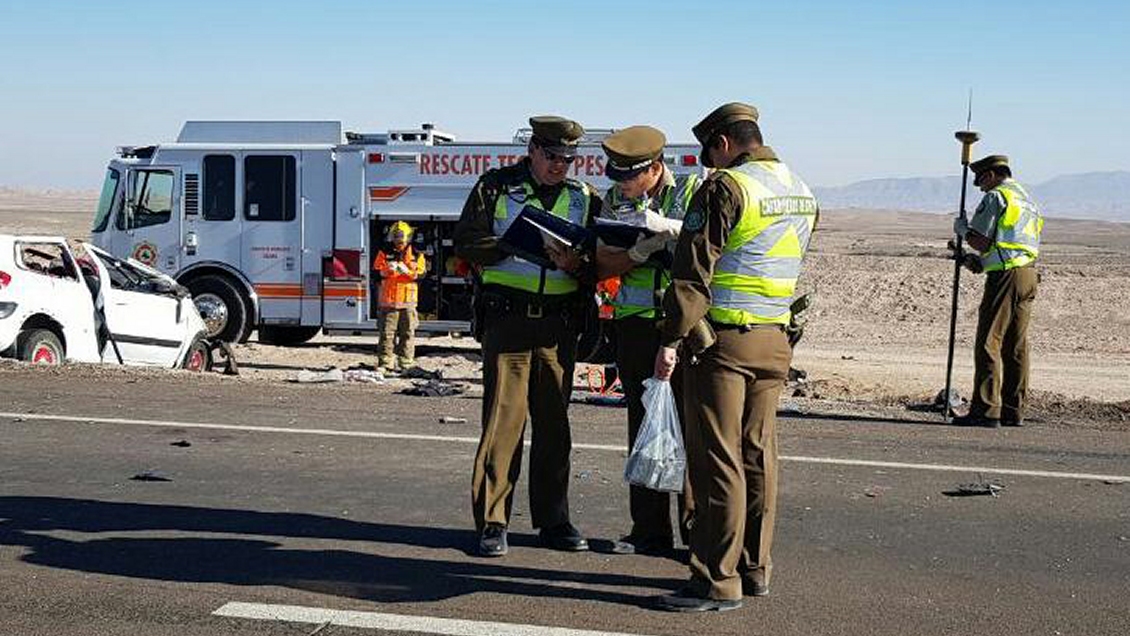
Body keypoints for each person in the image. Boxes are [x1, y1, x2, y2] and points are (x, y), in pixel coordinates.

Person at [653, 103, 818, 611]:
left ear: (724, 143)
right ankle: (755, 567)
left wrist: (670, 339)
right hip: (775, 338)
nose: (708, 165)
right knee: (759, 455)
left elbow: (693, 272)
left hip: (724, 343)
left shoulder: (729, 187)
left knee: (716, 460)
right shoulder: (800, 189)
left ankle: (716, 581)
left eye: (709, 154)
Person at [454, 115, 602, 557]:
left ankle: (554, 521)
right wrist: (513, 244)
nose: (561, 166)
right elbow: (465, 240)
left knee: (555, 428)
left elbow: (600, 256)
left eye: (569, 159)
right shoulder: (496, 187)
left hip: (560, 325)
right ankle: (493, 521)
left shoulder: (584, 197)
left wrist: (580, 263)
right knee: (503, 424)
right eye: (554, 157)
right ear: (534, 150)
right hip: (509, 321)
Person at [594, 125, 700, 557]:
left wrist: (669, 231)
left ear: (655, 168)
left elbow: (710, 244)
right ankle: (649, 531)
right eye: (616, 176)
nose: (620, 185)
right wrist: (637, 252)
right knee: (643, 428)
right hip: (636, 326)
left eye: (629, 176)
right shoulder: (614, 200)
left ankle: (696, 532)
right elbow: (600, 261)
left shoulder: (692, 189)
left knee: (690, 430)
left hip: (684, 325)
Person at [952, 155, 1043, 427]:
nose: (980, 187)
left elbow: (981, 241)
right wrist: (977, 263)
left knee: (988, 341)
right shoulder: (1027, 199)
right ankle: (1013, 410)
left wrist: (964, 230)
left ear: (991, 175)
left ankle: (986, 410)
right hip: (1028, 274)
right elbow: (1007, 245)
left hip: (1006, 277)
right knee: (1016, 346)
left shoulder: (997, 197)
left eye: (980, 181)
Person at [373, 220, 425, 371]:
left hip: (408, 302)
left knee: (408, 333)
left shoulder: (416, 253)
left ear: (408, 236)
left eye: (401, 236)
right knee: (387, 334)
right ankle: (385, 363)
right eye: (396, 236)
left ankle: (406, 363)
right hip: (389, 302)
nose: (398, 239)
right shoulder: (384, 252)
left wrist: (407, 271)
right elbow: (376, 272)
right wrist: (388, 270)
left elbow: (421, 274)